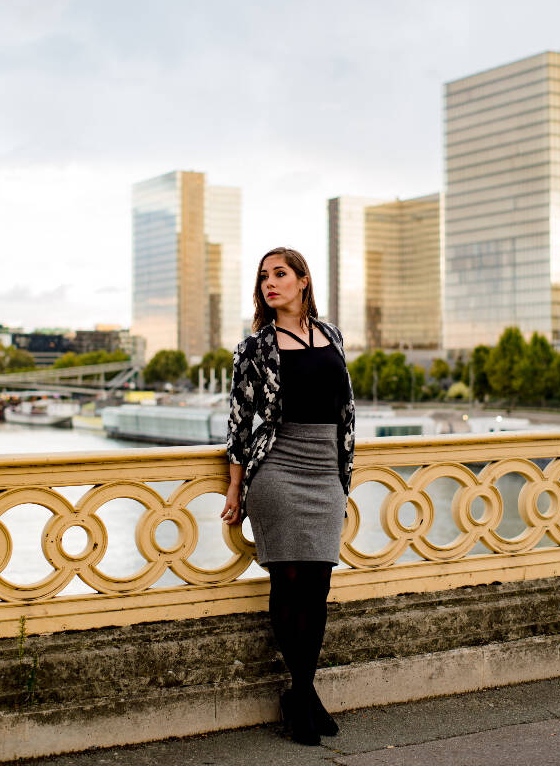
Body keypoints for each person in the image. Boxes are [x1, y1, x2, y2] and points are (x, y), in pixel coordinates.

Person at [222, 246, 355, 746]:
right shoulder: (254, 348)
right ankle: (302, 698)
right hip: (277, 468)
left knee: (318, 585)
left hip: (324, 469)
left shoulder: (333, 335)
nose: (270, 283)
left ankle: (299, 692)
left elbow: (345, 409)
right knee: (290, 579)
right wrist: (236, 488)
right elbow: (239, 422)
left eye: (280, 274)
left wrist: (344, 475)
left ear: (302, 281)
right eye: (263, 278)